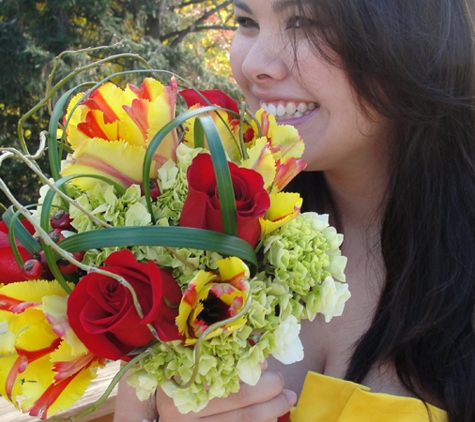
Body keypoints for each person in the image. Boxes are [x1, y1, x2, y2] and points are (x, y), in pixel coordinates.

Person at [114, 0, 475, 420]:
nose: (254, 65)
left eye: (304, 22)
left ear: (411, 34)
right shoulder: (183, 244)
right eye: (247, 21)